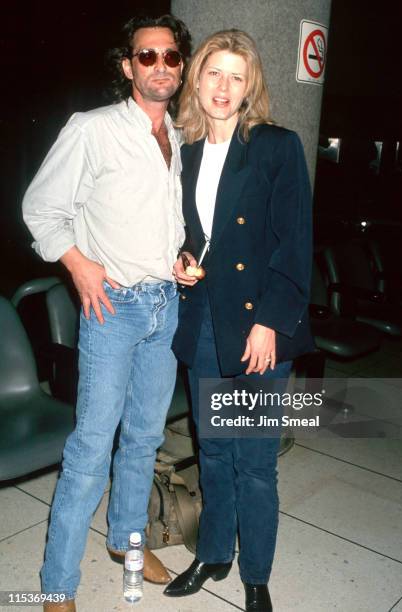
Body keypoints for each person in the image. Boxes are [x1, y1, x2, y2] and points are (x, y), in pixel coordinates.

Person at [22, 13, 190, 612]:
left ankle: (127, 544)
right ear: (127, 67)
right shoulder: (92, 130)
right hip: (112, 308)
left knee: (144, 439)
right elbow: (40, 209)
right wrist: (78, 264)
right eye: (148, 57)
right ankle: (57, 587)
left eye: (171, 57)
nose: (161, 67)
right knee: (92, 447)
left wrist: (180, 259)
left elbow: (159, 223)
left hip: (163, 307)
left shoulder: (174, 136)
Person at [164, 30, 313, 612]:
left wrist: (270, 322)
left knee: (254, 461)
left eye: (236, 76)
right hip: (205, 322)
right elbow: (199, 236)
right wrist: (185, 260)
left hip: (259, 327)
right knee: (215, 450)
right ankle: (213, 553)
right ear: (196, 81)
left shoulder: (275, 145)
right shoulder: (189, 151)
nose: (223, 87)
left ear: (250, 85)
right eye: (213, 74)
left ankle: (256, 574)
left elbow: (292, 245)